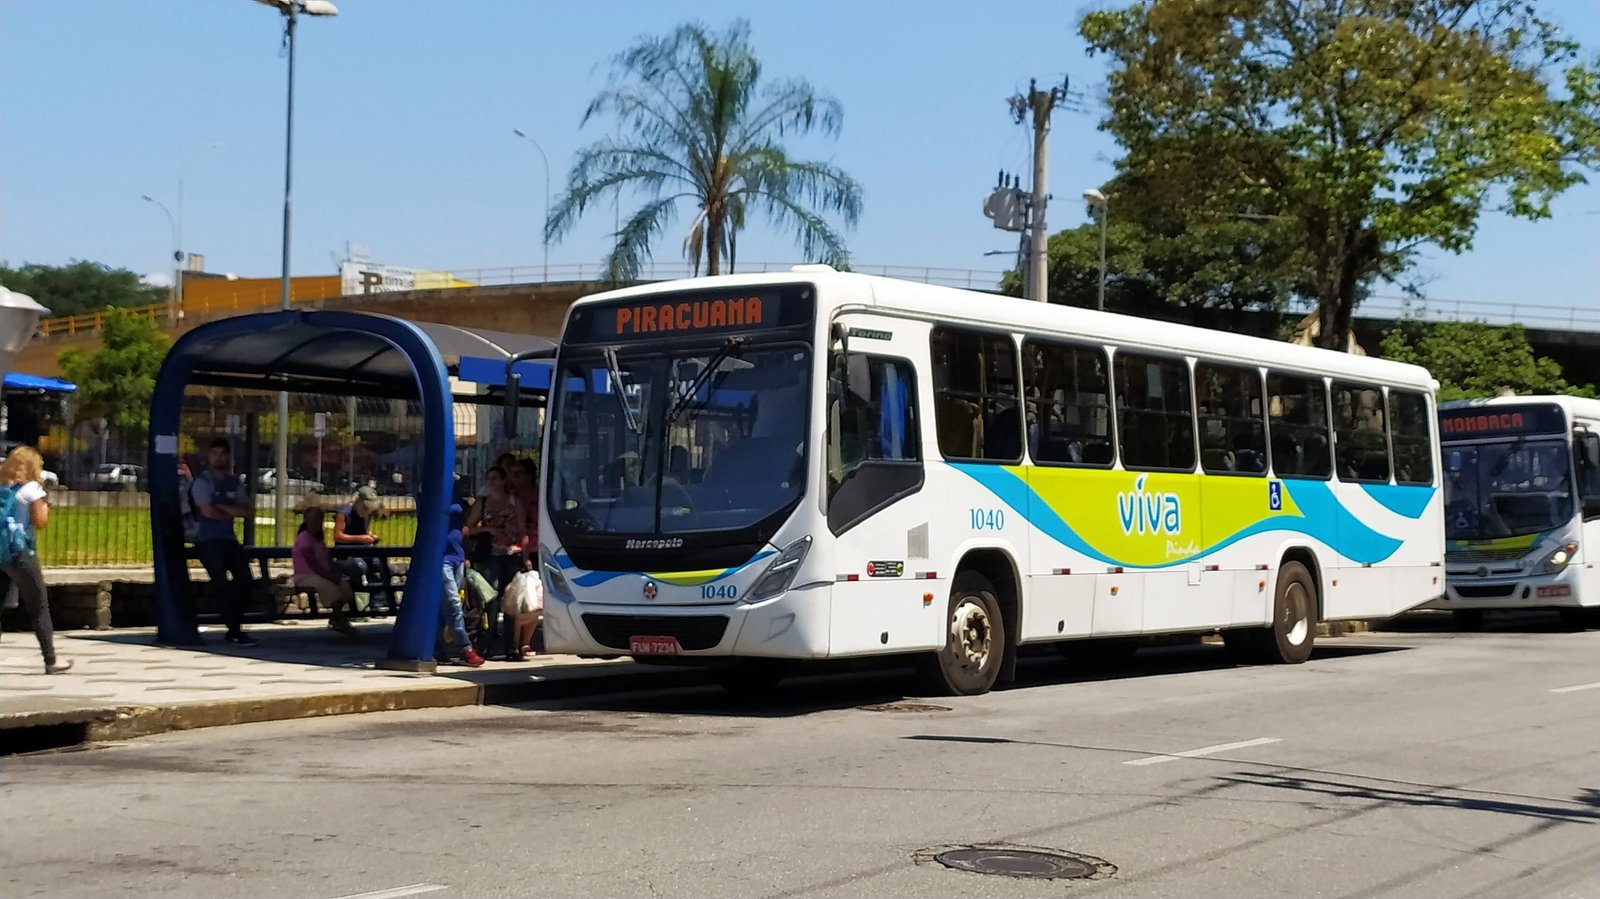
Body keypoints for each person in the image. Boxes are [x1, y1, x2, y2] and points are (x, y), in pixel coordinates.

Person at [0, 446, 72, 674]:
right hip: (20, 554)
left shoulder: (3, 488)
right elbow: (40, 522)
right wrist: (46, 508)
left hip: (1, 554)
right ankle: (51, 660)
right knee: (38, 606)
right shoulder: (32, 489)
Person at [190, 438, 258, 647]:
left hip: (228, 539)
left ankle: (234, 623)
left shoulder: (234, 482)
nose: (218, 458)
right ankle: (234, 630)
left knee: (245, 579)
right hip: (206, 540)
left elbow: (247, 511)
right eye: (214, 454)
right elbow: (207, 511)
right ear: (208, 457)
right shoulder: (202, 482)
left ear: (228, 457)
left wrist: (222, 507)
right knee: (221, 582)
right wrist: (231, 510)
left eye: (222, 454)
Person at [291, 505, 358, 637]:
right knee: (331, 589)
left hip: (323, 573)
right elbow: (313, 564)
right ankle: (340, 621)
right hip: (306, 575)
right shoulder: (304, 538)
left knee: (345, 586)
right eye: (315, 521)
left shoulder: (319, 539)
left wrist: (334, 572)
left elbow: (327, 559)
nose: (318, 524)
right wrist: (328, 576)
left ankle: (336, 618)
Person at [437, 494, 485, 667]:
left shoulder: (456, 493)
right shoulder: (432, 492)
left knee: (445, 606)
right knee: (453, 603)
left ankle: (436, 645)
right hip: (441, 558)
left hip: (457, 556)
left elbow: (465, 524)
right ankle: (465, 648)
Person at [334, 485, 390, 612]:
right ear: (358, 501)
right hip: (346, 554)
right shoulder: (343, 513)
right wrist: (360, 538)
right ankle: (358, 605)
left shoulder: (366, 515)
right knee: (360, 566)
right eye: (365, 507)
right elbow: (338, 536)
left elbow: (365, 531)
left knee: (380, 565)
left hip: (363, 551)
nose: (367, 511)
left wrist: (371, 537)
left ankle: (378, 602)